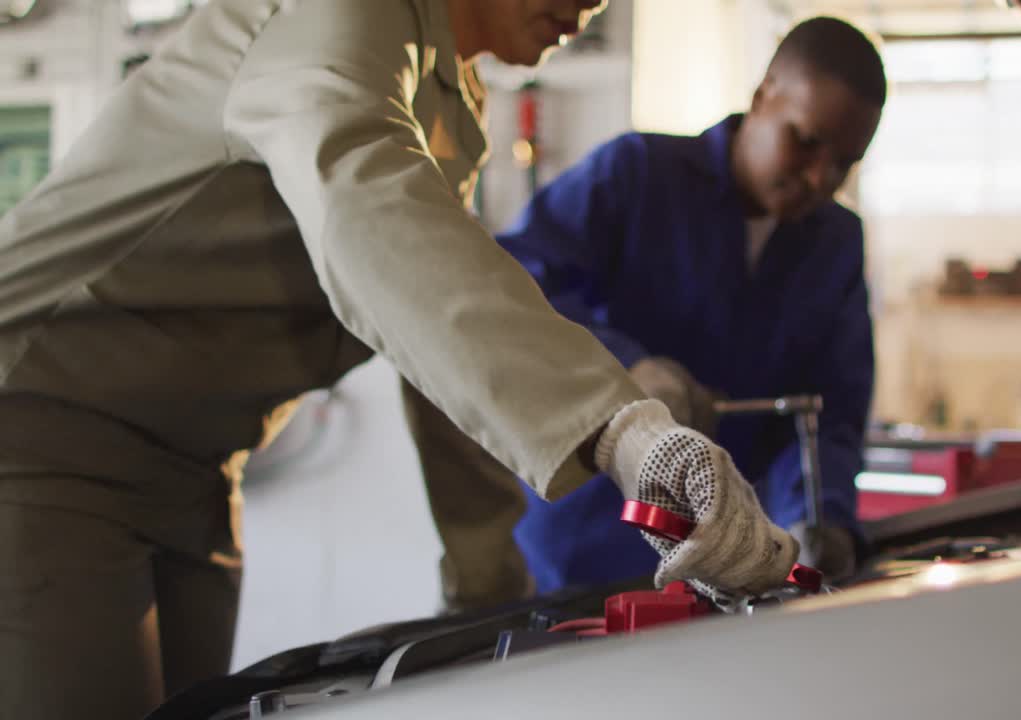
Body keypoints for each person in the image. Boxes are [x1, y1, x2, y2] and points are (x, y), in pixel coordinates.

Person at [0, 2, 798, 718]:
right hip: (39, 427)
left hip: (193, 472)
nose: (592, 4)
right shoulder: (338, 15)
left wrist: (494, 604)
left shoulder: (446, 98)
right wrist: (629, 437)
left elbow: (430, 346)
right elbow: (366, 203)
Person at [498, 17, 885, 594]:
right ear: (763, 95)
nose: (818, 178)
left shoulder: (835, 245)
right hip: (582, 544)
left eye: (843, 163)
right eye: (805, 142)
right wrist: (627, 367)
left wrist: (818, 520)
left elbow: (828, 415)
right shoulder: (635, 175)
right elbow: (516, 289)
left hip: (718, 562)